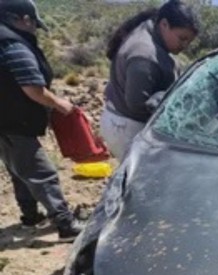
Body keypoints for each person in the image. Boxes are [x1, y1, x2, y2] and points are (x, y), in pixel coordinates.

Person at [0, 0, 83, 241]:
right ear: (23, 20)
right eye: (34, 24)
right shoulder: (13, 44)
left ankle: (30, 216)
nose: (35, 29)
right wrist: (59, 104)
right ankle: (65, 224)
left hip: (5, 120)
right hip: (14, 120)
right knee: (41, 172)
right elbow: (32, 87)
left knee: (18, 168)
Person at [100, 0, 199, 160]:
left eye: (189, 41)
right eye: (182, 38)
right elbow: (137, 105)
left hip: (120, 121)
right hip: (127, 128)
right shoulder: (144, 55)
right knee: (142, 181)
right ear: (164, 25)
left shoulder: (151, 34)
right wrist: (164, 99)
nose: (185, 45)